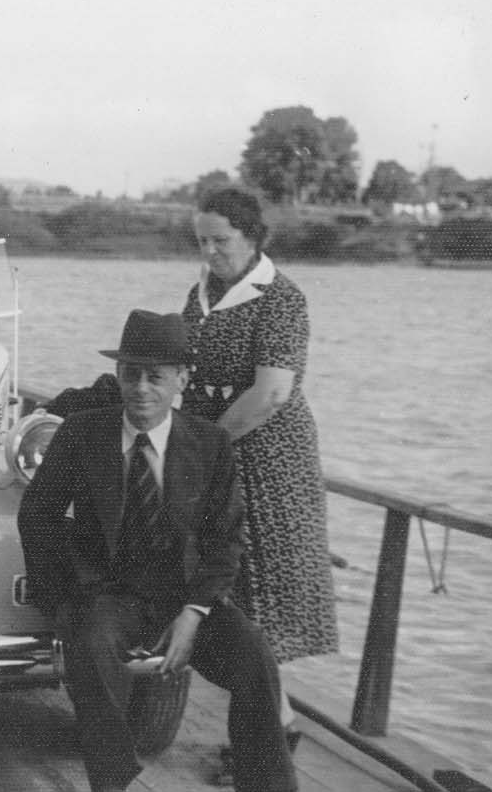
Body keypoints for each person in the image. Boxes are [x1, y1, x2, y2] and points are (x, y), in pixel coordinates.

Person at [17, 309, 296, 792]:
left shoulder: (210, 444)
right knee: (91, 646)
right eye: (131, 374)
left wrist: (194, 611)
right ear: (118, 375)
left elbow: (225, 542)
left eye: (156, 377)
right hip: (110, 596)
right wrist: (62, 601)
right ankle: (113, 782)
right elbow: (36, 519)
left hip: (182, 598)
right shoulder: (82, 433)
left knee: (253, 654)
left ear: (182, 379)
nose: (141, 388)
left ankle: (268, 785)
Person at [182, 187, 338, 769]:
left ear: (253, 237)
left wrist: (204, 448)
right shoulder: (199, 293)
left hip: (269, 462)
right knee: (231, 594)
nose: (211, 251)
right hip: (214, 454)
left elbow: (271, 393)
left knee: (263, 599)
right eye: (202, 241)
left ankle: (267, 743)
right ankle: (276, 729)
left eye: (221, 240)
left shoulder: (281, 298)